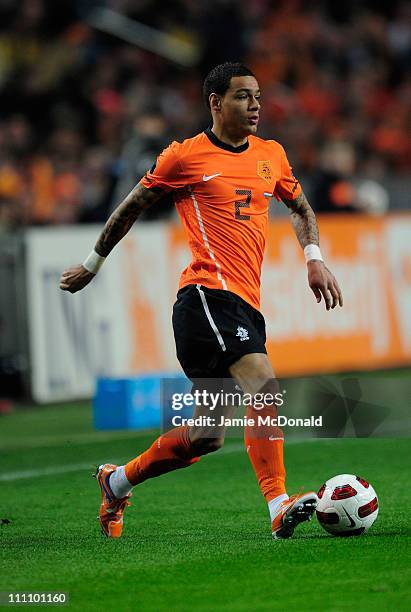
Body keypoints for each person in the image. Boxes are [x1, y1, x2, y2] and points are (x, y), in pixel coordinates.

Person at [60, 62, 343, 540]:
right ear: (215, 102)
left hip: (242, 305)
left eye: (257, 96)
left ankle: (116, 481)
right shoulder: (184, 157)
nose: (255, 105)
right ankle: (279, 503)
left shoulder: (271, 154)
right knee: (264, 384)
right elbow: (131, 207)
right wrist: (92, 263)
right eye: (242, 96)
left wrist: (313, 257)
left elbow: (299, 207)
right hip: (206, 297)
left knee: (206, 437)